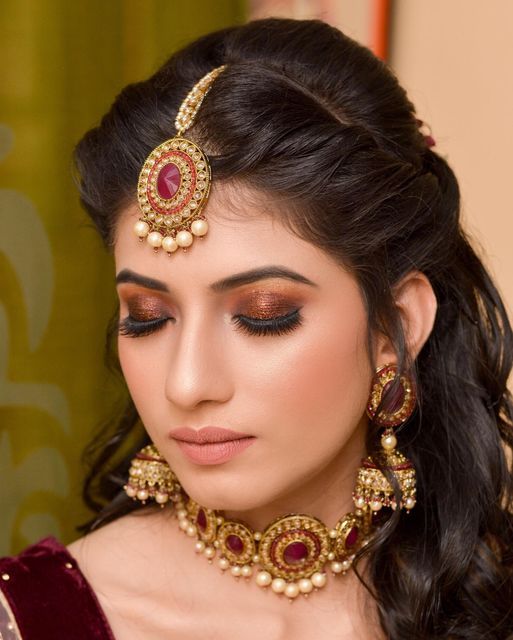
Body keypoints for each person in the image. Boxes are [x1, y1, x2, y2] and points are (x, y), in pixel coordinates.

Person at [1, 17, 513, 640]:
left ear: (396, 328)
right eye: (147, 318)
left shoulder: (487, 600)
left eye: (263, 315)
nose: (187, 384)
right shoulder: (32, 618)